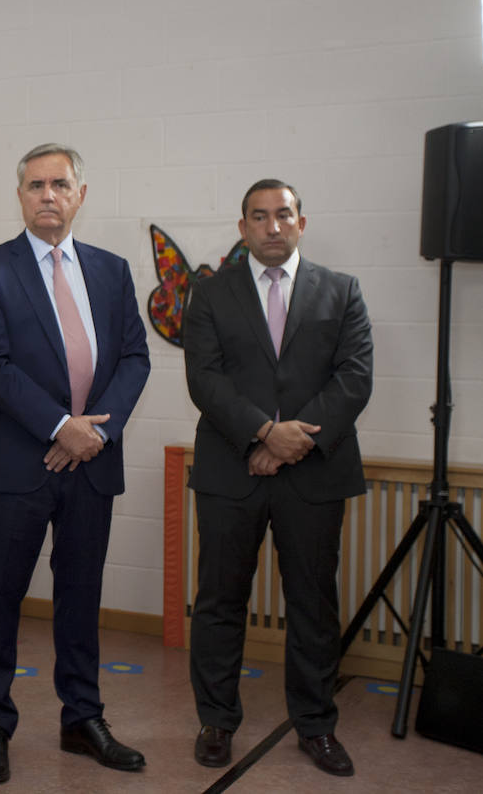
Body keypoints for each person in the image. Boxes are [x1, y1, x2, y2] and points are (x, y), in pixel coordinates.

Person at [0, 144, 150, 783]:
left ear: (80, 194)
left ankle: (83, 719)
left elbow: (134, 358)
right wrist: (58, 426)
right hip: (18, 464)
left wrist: (97, 432)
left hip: (93, 463)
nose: (48, 194)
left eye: (60, 184)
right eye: (36, 185)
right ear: (20, 196)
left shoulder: (112, 270)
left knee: (81, 597)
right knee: (0, 599)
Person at [184, 179, 373, 777]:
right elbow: (205, 380)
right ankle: (216, 721)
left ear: (301, 222)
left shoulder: (341, 291)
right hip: (229, 471)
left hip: (313, 474)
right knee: (219, 603)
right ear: (242, 227)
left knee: (313, 605)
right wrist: (266, 433)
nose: (272, 226)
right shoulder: (210, 295)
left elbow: (353, 378)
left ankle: (316, 727)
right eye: (259, 217)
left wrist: (291, 442)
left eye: (282, 215)